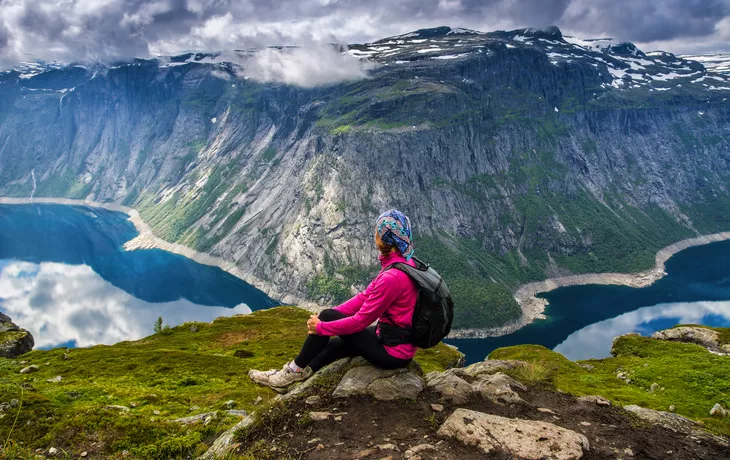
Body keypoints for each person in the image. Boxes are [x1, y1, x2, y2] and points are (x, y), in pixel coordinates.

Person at [249, 209, 418, 393]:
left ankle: (287, 374)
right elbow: (364, 297)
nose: (374, 234)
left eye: (377, 231)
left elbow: (361, 320)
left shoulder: (392, 277)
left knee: (328, 320)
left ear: (385, 238)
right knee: (332, 347)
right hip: (393, 339)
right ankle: (293, 374)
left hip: (393, 352)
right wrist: (332, 314)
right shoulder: (403, 262)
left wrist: (322, 325)